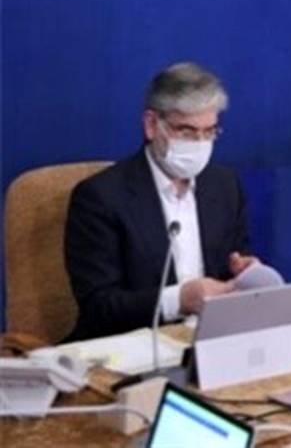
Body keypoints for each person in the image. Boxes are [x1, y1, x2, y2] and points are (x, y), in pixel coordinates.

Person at [65, 63, 254, 341]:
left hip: (209, 337)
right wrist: (178, 300)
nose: (200, 143)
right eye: (187, 132)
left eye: (210, 131)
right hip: (132, 344)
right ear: (152, 125)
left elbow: (230, 268)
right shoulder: (100, 197)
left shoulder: (225, 185)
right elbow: (99, 307)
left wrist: (242, 273)